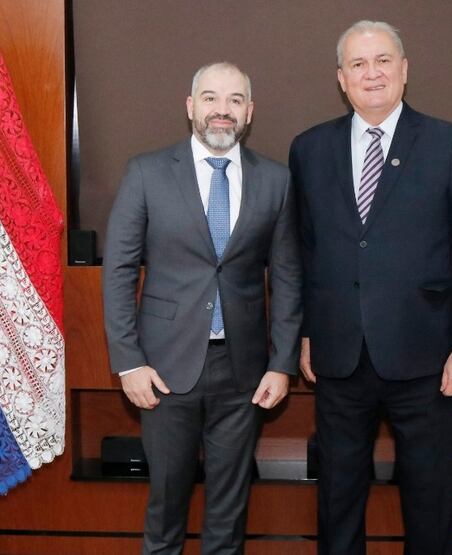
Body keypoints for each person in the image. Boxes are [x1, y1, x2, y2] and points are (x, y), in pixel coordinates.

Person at [289, 21, 452, 555]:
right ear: (341, 78)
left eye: (383, 60)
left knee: (429, 499)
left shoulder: (450, 143)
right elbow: (305, 253)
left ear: (404, 69)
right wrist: (307, 334)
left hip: (426, 356)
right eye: (358, 64)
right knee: (336, 496)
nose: (371, 73)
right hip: (338, 355)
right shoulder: (309, 149)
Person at [102, 62, 301, 555]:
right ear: (190, 107)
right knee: (166, 508)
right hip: (164, 370)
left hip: (244, 375)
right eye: (210, 98)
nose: (222, 110)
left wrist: (281, 363)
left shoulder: (276, 180)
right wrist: (129, 361)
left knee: (228, 517)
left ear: (249, 112)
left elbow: (289, 277)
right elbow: (119, 272)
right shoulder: (146, 173)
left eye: (235, 100)